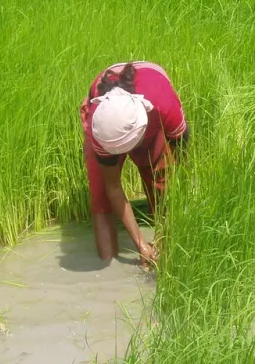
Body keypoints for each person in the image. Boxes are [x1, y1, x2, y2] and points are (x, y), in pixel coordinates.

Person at [80, 61, 189, 268]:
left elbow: (180, 160)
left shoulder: (163, 102)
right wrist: (141, 245)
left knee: (162, 181)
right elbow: (113, 187)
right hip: (110, 122)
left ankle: (163, 247)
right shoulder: (100, 126)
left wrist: (163, 233)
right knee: (101, 194)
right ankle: (107, 268)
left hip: (151, 108)